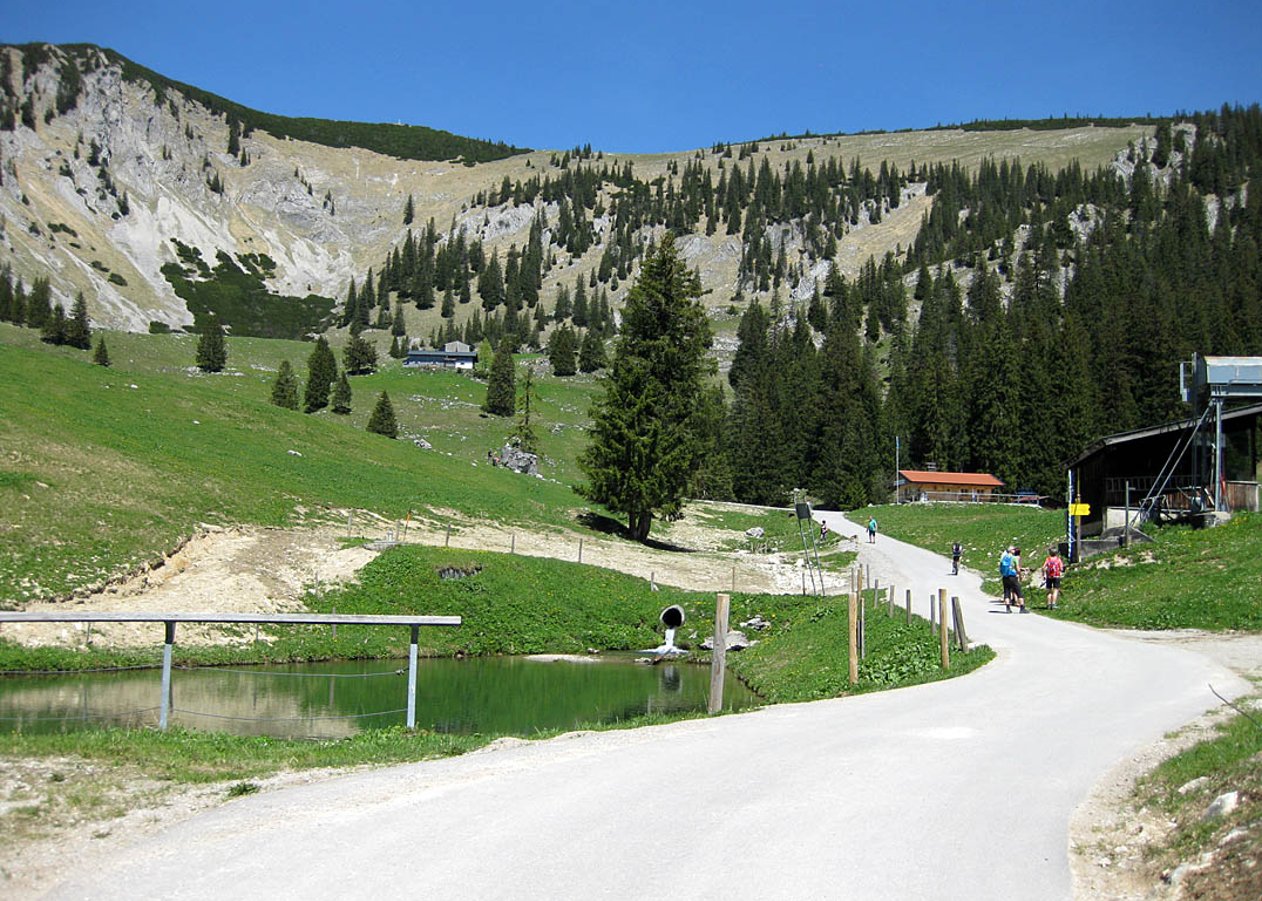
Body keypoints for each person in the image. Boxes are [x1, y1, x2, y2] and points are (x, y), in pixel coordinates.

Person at [999, 545, 1026, 613]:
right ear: (1011, 551)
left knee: (1007, 592)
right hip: (1012, 576)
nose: (1015, 550)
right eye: (1014, 549)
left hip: (1005, 577)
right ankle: (1022, 608)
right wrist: (1020, 575)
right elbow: (1017, 568)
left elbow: (1000, 567)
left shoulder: (1004, 557)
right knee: (1019, 591)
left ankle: (1008, 608)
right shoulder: (1014, 558)